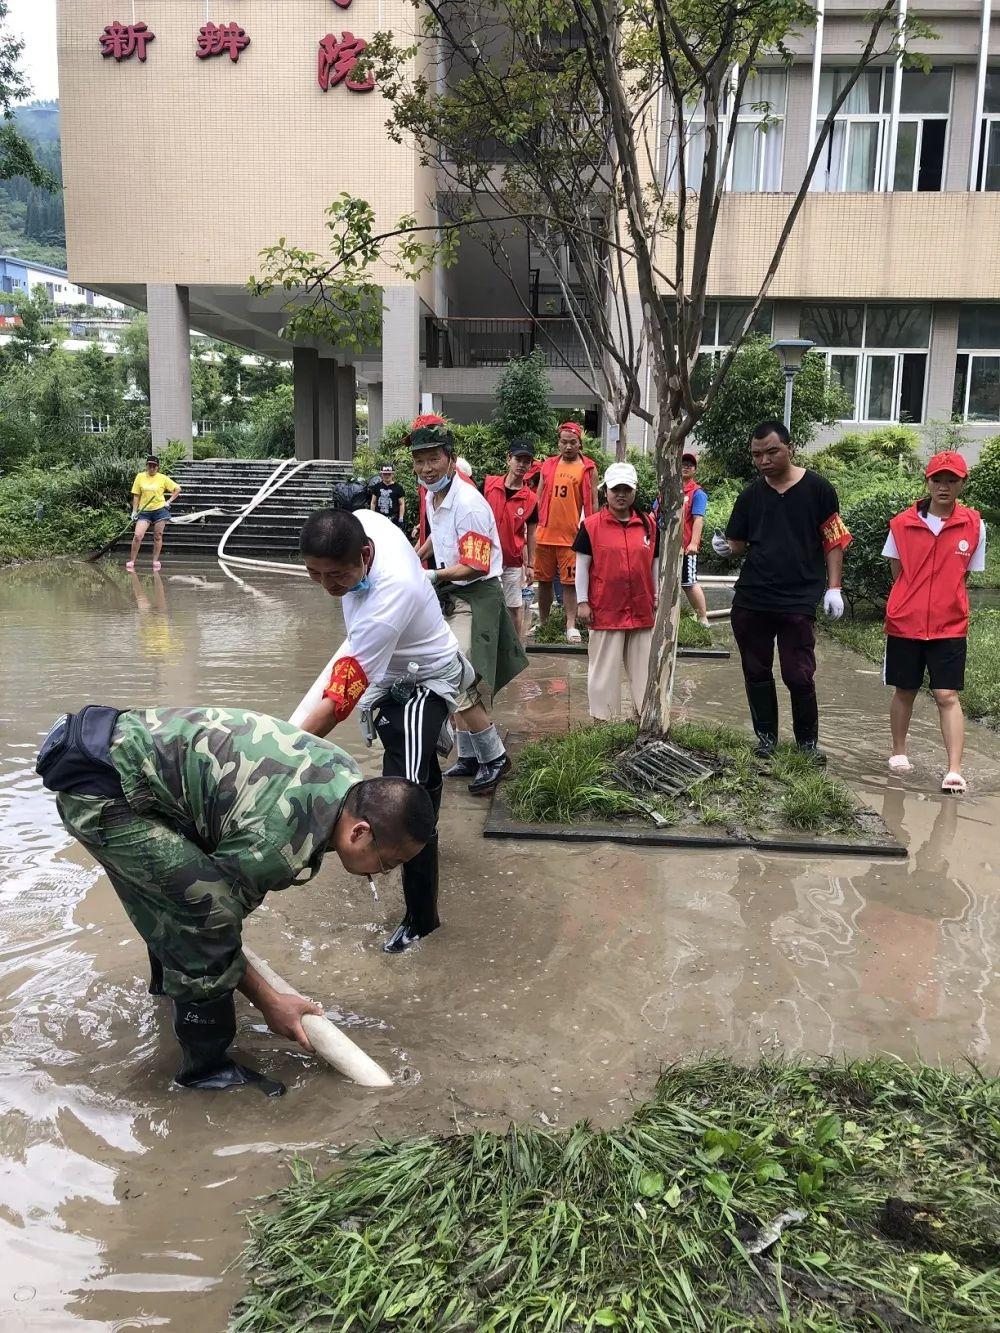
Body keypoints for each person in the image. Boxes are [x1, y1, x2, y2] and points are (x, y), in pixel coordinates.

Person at [38, 703, 435, 1095]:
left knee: (175, 895)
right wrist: (271, 1001)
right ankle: (203, 1069)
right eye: (389, 861)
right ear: (360, 833)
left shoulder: (345, 775)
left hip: (114, 752)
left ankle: (170, 990)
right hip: (103, 791)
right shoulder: (276, 843)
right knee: (201, 925)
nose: (384, 873)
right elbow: (215, 919)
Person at [290, 501, 477, 953]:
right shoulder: (362, 523)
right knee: (414, 783)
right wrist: (290, 736)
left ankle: (422, 918)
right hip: (387, 667)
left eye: (336, 576)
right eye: (315, 575)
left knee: (403, 797)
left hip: (421, 679)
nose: (327, 586)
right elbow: (348, 662)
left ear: (365, 555)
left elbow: (341, 697)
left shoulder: (390, 596)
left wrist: (285, 752)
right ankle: (423, 820)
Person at [713, 420, 851, 761]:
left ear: (790, 448)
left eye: (772, 452)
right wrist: (725, 548)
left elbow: (834, 539)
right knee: (756, 670)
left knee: (798, 672)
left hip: (799, 596)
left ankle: (807, 745)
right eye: (757, 454)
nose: (764, 461)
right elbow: (738, 543)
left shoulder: (819, 489)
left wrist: (834, 587)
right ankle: (766, 740)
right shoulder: (750, 495)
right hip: (753, 595)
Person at [410, 419, 528, 790]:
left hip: (476, 597)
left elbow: (474, 565)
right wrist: (416, 556)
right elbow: (437, 537)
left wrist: (431, 576)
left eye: (434, 460)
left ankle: (495, 758)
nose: (427, 469)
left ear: (451, 458)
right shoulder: (433, 495)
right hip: (452, 594)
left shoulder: (470, 505)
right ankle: (466, 755)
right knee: (453, 676)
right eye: (420, 461)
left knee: (453, 675)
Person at [881, 451, 986, 793]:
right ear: (927, 482)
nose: (944, 486)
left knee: (947, 694)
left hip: (949, 624)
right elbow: (898, 571)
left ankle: (954, 769)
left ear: (961, 484)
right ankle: (899, 753)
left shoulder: (974, 525)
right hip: (905, 622)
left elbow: (966, 573)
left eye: (951, 480)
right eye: (937, 479)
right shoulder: (901, 523)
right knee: (905, 689)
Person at [574, 462, 658, 720]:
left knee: (645, 667)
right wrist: (582, 601)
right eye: (615, 489)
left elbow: (655, 563)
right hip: (605, 607)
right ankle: (604, 720)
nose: (621, 494)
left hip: (642, 608)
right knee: (604, 670)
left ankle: (644, 716)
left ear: (634, 491)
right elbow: (582, 566)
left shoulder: (648, 524)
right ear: (605, 491)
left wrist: (657, 597)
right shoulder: (590, 525)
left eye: (626, 489)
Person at [534, 422, 599, 642]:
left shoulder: (587, 468)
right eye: (564, 442)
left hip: (571, 536)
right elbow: (539, 496)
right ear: (558, 443)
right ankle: (543, 622)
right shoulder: (548, 465)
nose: (568, 446)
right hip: (545, 534)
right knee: (543, 580)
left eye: (573, 442)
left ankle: (571, 624)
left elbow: (593, 503)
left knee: (570, 583)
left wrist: (591, 533)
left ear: (580, 443)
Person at [483, 440, 539, 641]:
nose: (521, 464)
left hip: (512, 560)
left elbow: (532, 533)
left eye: (526, 461)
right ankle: (488, 645)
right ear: (509, 459)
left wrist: (531, 564)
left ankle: (514, 649)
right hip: (484, 557)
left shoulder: (531, 499)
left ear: (531, 465)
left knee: (514, 606)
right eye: (518, 459)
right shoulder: (488, 485)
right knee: (486, 605)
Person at [127, 455, 180, 572]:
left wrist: (168, 501)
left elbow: (177, 489)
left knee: (158, 536)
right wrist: (134, 511)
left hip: (160, 510)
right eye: (149, 465)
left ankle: (155, 561)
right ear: (146, 466)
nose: (152, 468)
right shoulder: (140, 477)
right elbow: (136, 495)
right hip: (144, 511)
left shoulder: (162, 478)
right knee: (137, 536)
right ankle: (132, 561)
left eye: (154, 466)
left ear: (157, 467)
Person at [680, 452, 710, 629]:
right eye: (683, 463)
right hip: (667, 548)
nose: (686, 466)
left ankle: (702, 618)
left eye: (690, 464)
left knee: (689, 583)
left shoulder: (697, 493)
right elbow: (655, 513)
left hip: (686, 547)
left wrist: (693, 543)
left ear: (695, 469)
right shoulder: (668, 488)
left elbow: (698, 519)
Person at [369, 463, 406, 529]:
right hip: (379, 518)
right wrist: (372, 516)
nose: (387, 476)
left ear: (393, 474)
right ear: (381, 475)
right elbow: (373, 503)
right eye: (385, 474)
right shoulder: (377, 487)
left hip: (393, 519)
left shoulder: (398, 488)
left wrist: (401, 518)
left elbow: (401, 504)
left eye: (389, 474)